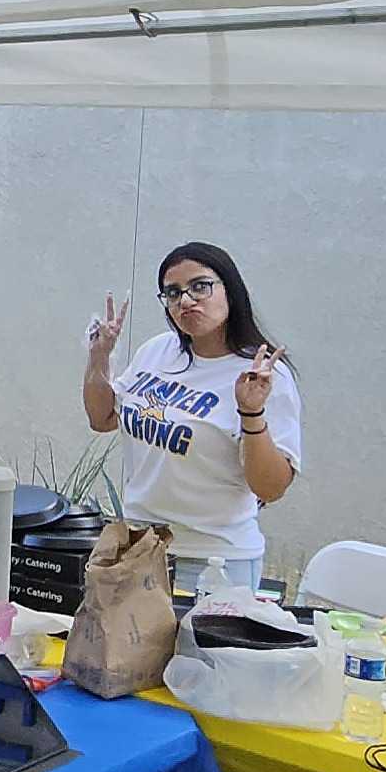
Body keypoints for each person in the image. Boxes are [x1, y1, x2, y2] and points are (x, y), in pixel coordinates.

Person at [81, 243, 301, 594]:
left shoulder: (262, 375)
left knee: (201, 652)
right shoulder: (157, 351)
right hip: (141, 548)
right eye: (173, 292)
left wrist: (251, 411)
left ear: (230, 289)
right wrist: (99, 357)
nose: (186, 300)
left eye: (201, 286)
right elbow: (102, 417)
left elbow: (270, 487)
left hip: (214, 561)